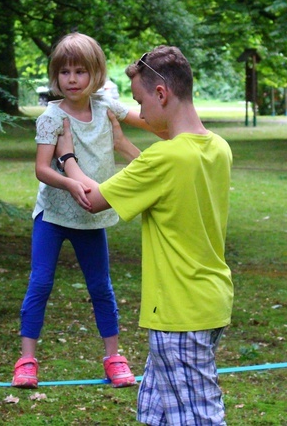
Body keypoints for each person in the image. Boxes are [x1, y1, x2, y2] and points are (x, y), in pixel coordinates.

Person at [55, 45, 233, 425]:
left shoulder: (164, 157)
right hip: (209, 301)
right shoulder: (217, 148)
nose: (141, 113)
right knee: (156, 412)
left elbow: (92, 198)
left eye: (140, 102)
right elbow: (167, 176)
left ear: (161, 94)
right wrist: (123, 145)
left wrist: (67, 157)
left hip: (180, 312)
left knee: (201, 418)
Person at [12, 32, 160, 390]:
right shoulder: (51, 116)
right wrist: (70, 183)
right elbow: (43, 169)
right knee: (41, 283)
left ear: (96, 74)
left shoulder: (106, 107)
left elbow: (153, 122)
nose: (72, 79)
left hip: (90, 218)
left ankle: (113, 357)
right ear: (55, 76)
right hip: (53, 216)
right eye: (65, 72)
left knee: (101, 287)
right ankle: (26, 360)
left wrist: (180, 124)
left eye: (80, 71)